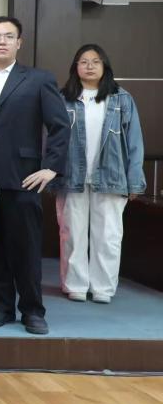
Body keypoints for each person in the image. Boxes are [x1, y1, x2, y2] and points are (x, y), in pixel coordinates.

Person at [0, 16, 69, 335]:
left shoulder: (38, 80)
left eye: (9, 36)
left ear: (19, 43)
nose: (2, 42)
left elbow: (60, 125)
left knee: (26, 248)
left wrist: (51, 167)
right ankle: (2, 306)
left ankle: (33, 310)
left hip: (23, 177)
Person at [54, 45, 145, 304]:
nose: (90, 66)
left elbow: (135, 142)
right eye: (83, 61)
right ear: (75, 67)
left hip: (112, 177)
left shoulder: (121, 98)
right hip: (72, 176)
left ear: (105, 66)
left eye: (95, 61)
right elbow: (51, 138)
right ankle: (75, 284)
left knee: (108, 235)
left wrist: (134, 180)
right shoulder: (63, 98)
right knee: (72, 234)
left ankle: (103, 288)